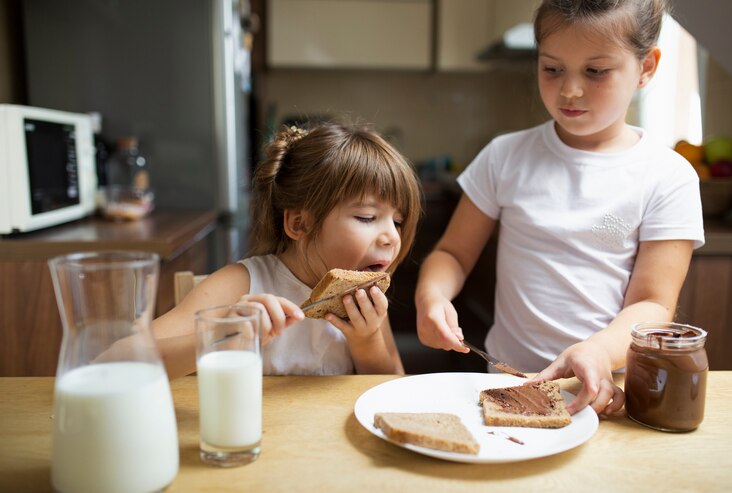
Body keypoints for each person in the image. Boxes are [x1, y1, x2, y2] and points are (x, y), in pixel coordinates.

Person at [415, 0, 704, 416]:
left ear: (646, 67)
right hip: (506, 384)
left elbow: (654, 304)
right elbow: (452, 255)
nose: (569, 90)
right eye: (552, 69)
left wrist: (599, 352)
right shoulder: (504, 156)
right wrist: (432, 295)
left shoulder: (667, 175)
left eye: (596, 71)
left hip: (602, 391)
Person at [154, 122, 422, 378]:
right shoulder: (243, 283)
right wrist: (222, 335)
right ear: (300, 223)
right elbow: (127, 358)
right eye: (366, 217)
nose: (391, 237)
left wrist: (367, 340)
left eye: (398, 222)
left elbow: (392, 389)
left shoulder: (365, 299)